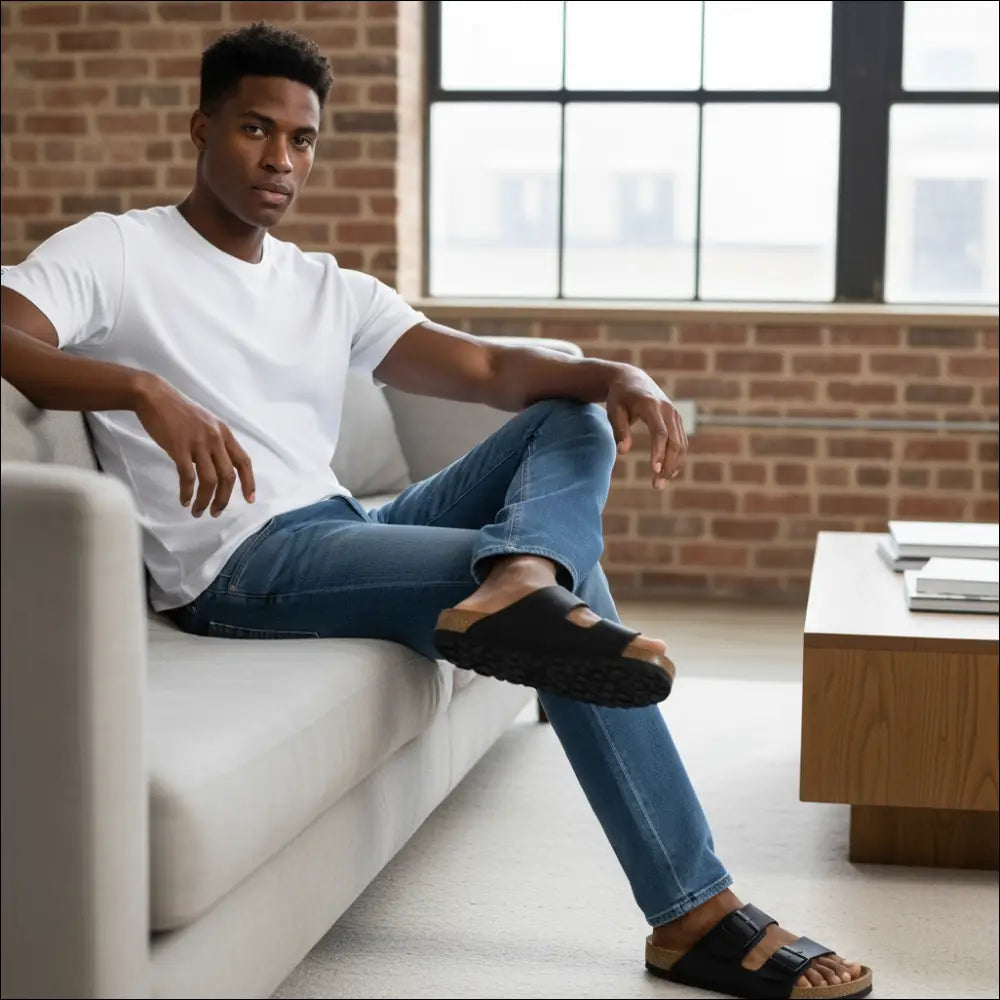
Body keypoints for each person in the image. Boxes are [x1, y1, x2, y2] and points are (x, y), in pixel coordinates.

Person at [0, 22, 873, 1000]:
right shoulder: (118, 251)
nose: (280, 159)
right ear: (200, 127)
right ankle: (693, 912)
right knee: (574, 611)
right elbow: (6, 330)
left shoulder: (321, 285)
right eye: (254, 130)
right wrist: (139, 388)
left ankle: (523, 580)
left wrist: (619, 370)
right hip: (242, 567)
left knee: (570, 414)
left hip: (342, 526)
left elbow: (493, 367)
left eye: (302, 140)